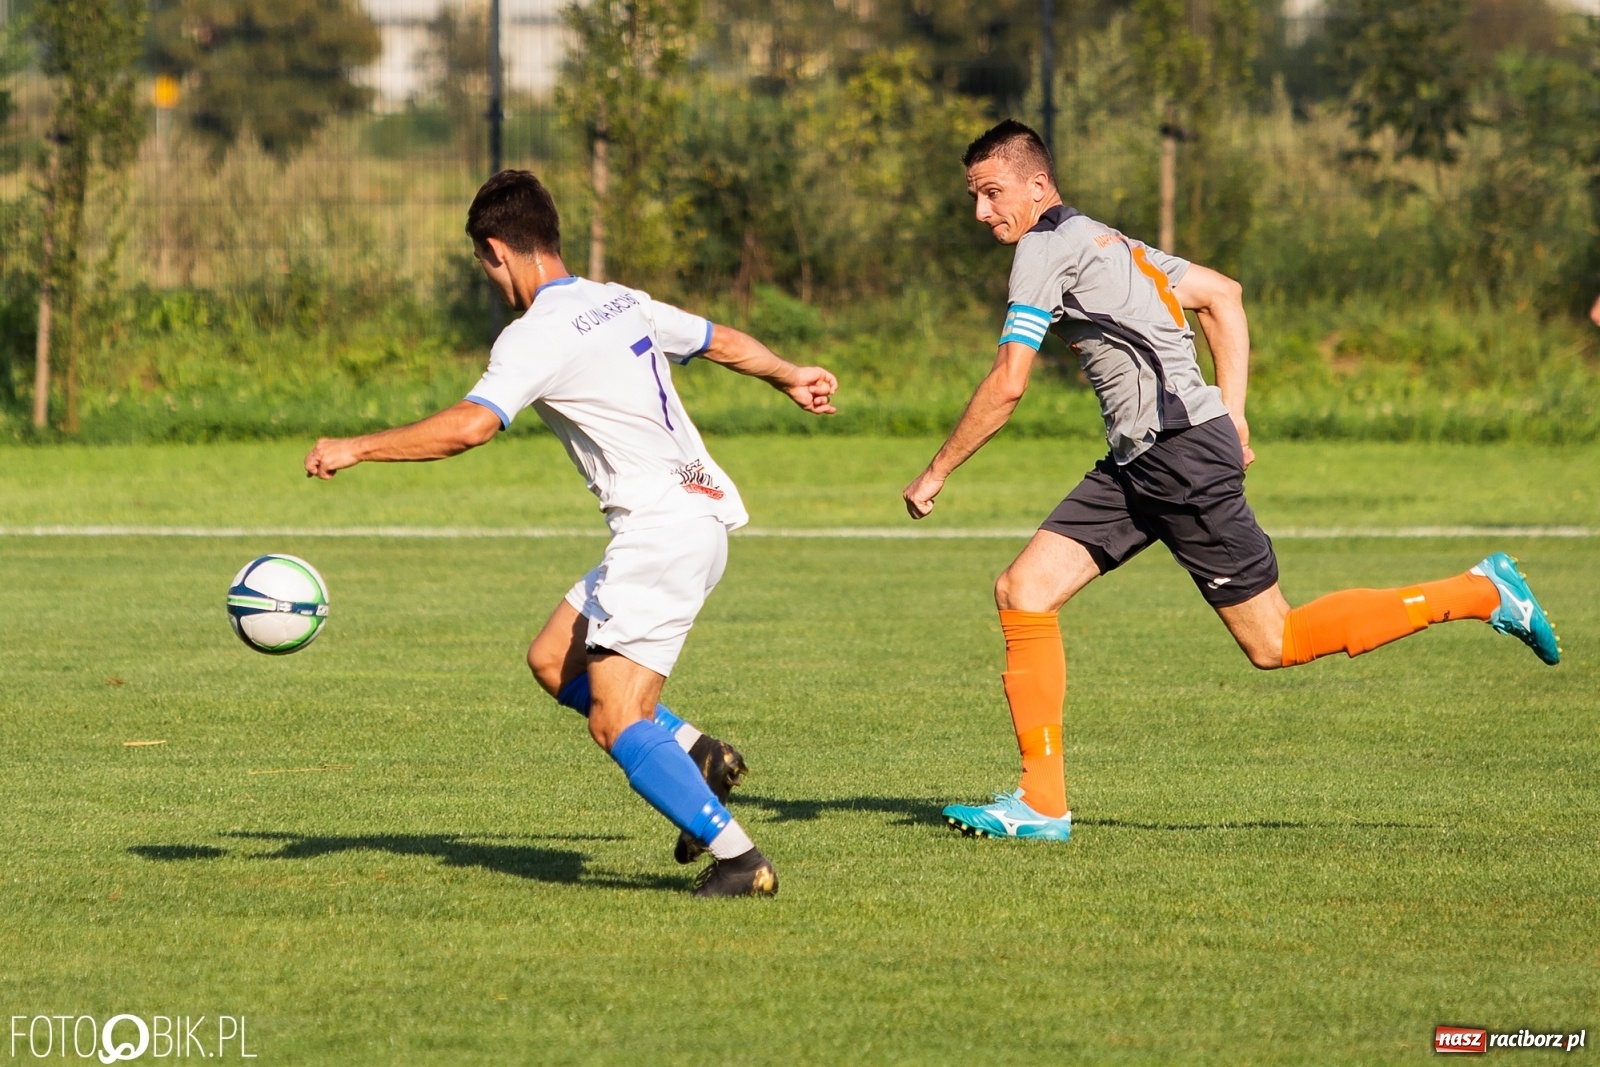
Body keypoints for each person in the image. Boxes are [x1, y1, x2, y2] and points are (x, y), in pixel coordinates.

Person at [902, 120, 1561, 842]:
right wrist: (1234, 414)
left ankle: (1483, 590)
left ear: (1037, 184)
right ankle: (1043, 802)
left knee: (1276, 640)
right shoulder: (1107, 240)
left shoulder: (1043, 248)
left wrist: (936, 470)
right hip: (1144, 460)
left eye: (992, 193)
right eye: (974, 196)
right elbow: (1223, 295)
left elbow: (1008, 382)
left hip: (1178, 457)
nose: (981, 212)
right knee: (1022, 591)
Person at [305, 170, 839, 895]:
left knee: (616, 718)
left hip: (661, 532)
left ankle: (740, 859)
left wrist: (356, 446)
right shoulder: (618, 300)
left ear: (499, 249)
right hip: (695, 515)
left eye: (483, 265)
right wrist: (789, 374)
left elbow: (471, 426)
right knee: (556, 658)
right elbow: (718, 340)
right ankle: (699, 754)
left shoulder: (535, 334)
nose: (490, 281)